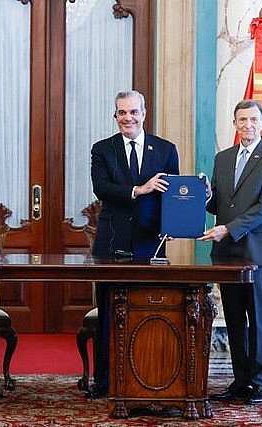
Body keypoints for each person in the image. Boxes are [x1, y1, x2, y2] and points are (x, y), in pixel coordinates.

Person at [88, 90, 180, 398]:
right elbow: (102, 189)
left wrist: (175, 225)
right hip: (112, 241)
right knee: (108, 313)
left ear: (144, 113)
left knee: (147, 310)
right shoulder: (103, 149)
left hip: (150, 243)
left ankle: (146, 376)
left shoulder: (165, 149)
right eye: (121, 113)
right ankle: (103, 382)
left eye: (133, 112)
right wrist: (140, 189)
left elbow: (174, 195)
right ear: (115, 116)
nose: (128, 118)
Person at [199, 99, 262, 405]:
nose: (247, 125)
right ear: (235, 123)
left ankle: (261, 381)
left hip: (257, 250)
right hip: (226, 251)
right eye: (241, 120)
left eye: (253, 119)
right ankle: (240, 382)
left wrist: (227, 228)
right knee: (234, 318)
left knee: (259, 317)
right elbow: (218, 204)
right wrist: (203, 194)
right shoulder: (222, 159)